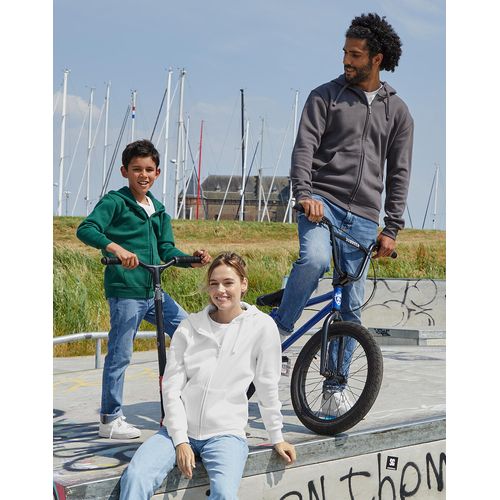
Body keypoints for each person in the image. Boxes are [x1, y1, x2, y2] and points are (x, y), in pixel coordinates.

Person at [273, 13, 413, 413]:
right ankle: (277, 332)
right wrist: (305, 194)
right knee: (315, 259)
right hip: (322, 203)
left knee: (350, 305)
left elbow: (399, 172)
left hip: (365, 217)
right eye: (345, 53)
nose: (346, 61)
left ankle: (335, 387)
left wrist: (392, 228)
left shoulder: (398, 111)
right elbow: (304, 148)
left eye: (355, 55)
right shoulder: (325, 96)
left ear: (377, 59)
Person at [119, 252, 296, 499]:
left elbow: (267, 386)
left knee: (224, 493)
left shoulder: (262, 327)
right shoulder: (189, 327)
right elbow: (171, 388)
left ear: (244, 284)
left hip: (226, 434)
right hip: (175, 432)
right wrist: (180, 440)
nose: (220, 290)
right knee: (136, 476)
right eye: (214, 284)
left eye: (228, 282)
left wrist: (277, 437)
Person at [76, 139, 211, 440]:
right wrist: (116, 249)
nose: (143, 175)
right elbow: (86, 229)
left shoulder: (159, 210)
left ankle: (191, 404)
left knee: (191, 333)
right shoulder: (115, 202)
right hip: (126, 291)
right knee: (120, 354)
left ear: (157, 172)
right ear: (125, 171)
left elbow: (166, 249)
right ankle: (110, 418)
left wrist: (192, 260)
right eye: (136, 169)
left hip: (154, 291)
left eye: (149, 169)